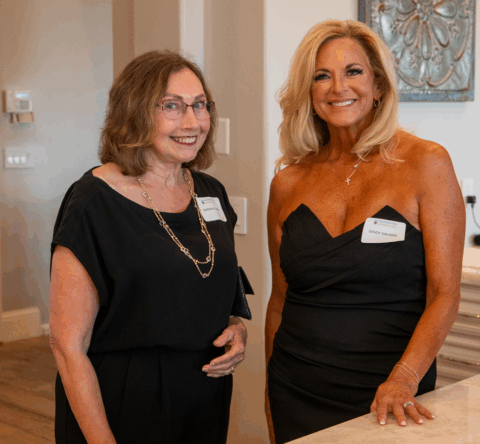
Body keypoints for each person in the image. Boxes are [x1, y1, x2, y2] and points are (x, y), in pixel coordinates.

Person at [265, 19, 465, 444]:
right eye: (322, 76)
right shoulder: (287, 182)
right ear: (308, 91)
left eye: (353, 71)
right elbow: (279, 301)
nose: (338, 87)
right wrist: (269, 394)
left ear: (378, 85)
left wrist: (404, 378)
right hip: (295, 388)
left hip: (390, 394)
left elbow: (444, 293)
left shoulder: (426, 164)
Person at [49, 50, 247, 444]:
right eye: (171, 106)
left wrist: (237, 331)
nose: (192, 122)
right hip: (122, 403)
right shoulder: (93, 201)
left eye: (200, 105)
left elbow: (217, 294)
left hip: (204, 399)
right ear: (135, 111)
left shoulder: (211, 192)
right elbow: (67, 346)